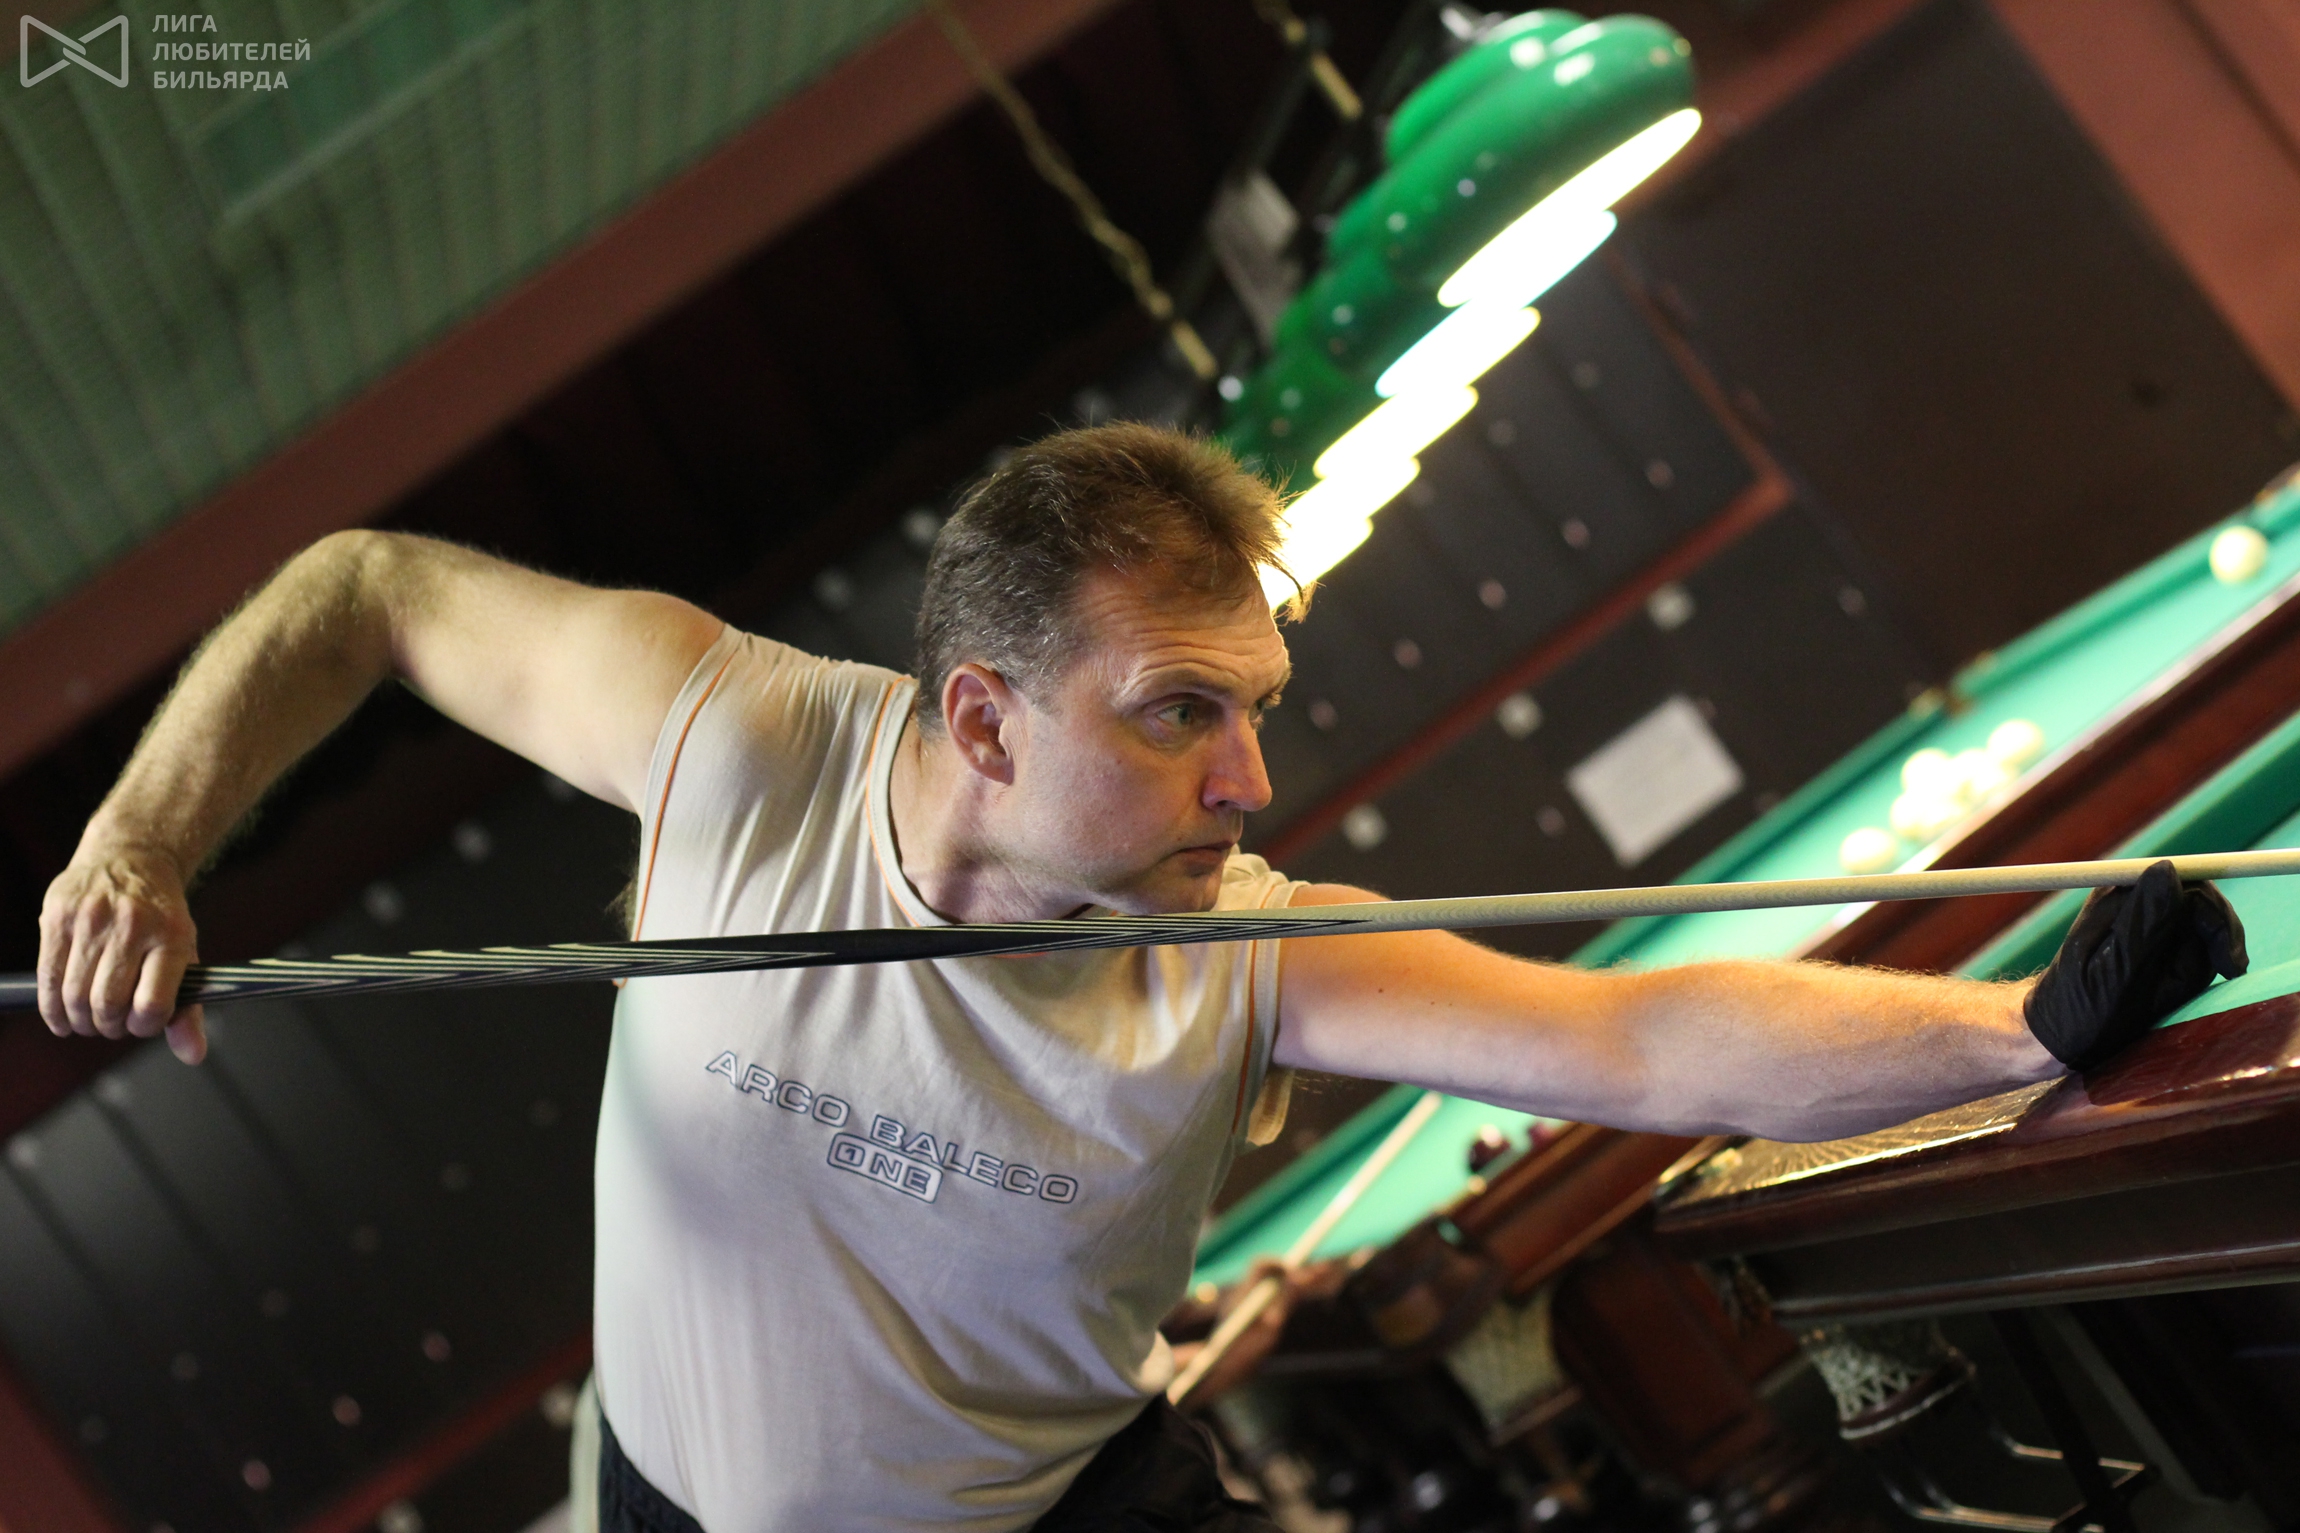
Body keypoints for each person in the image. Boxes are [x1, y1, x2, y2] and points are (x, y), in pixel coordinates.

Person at [35, 423, 2243, 1532]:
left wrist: (2017, 1033)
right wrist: (142, 838)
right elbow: (367, 583)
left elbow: (1636, 1035)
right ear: (984, 717)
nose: (1251, 773)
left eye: (1253, 706)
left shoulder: (1238, 947)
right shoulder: (731, 739)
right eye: (1183, 711)